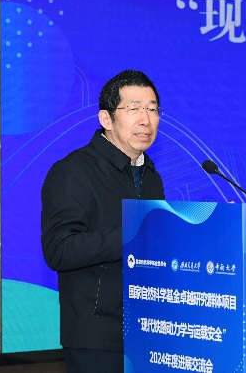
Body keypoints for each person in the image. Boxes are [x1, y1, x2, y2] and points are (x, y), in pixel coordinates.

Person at [41, 70, 165, 373]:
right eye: (134, 108)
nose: (145, 120)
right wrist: (131, 235)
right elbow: (59, 249)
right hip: (96, 336)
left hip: (146, 328)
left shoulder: (152, 176)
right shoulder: (74, 171)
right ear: (106, 119)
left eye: (152, 109)